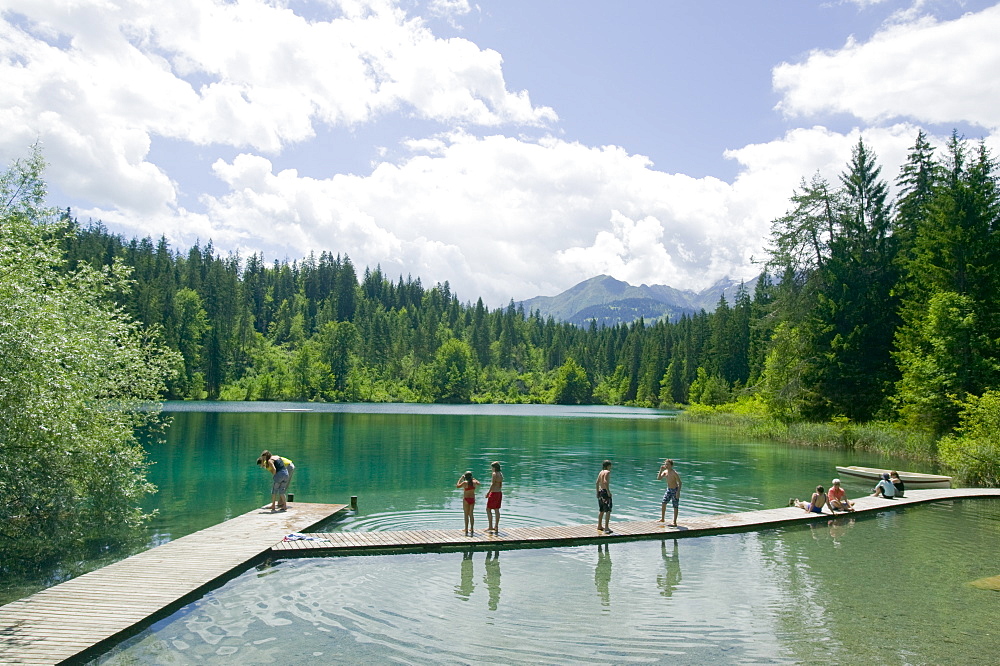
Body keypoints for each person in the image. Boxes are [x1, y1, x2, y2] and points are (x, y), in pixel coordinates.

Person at [657, 458, 682, 526]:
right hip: (669, 489)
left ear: (671, 465)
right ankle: (662, 518)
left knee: (675, 506)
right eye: (665, 464)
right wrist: (661, 470)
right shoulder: (665, 472)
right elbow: (659, 478)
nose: (666, 466)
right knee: (663, 503)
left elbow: (680, 482)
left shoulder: (674, 473)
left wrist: (678, 492)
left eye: (667, 464)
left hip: (675, 490)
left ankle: (674, 522)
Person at [456, 471, 480, 535]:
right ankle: (472, 528)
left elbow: (457, 486)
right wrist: (474, 479)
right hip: (472, 499)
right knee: (471, 514)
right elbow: (479, 483)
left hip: (466, 499)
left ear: (465, 477)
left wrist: (460, 478)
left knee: (466, 514)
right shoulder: (474, 482)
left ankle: (466, 529)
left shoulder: (464, 483)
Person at [485, 461, 504, 533]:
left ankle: (490, 526)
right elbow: (500, 484)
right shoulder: (500, 474)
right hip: (499, 493)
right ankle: (496, 526)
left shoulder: (494, 474)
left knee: (488, 509)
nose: (491, 469)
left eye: (492, 467)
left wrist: (488, 492)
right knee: (496, 509)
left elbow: (492, 484)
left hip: (494, 493)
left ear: (494, 468)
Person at [596, 460, 613, 533]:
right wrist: (608, 492)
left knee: (601, 509)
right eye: (610, 466)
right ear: (608, 466)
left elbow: (597, 482)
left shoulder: (601, 472)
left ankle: (599, 525)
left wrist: (597, 492)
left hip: (600, 492)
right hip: (605, 492)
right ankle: (606, 527)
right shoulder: (607, 472)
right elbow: (605, 482)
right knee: (608, 510)